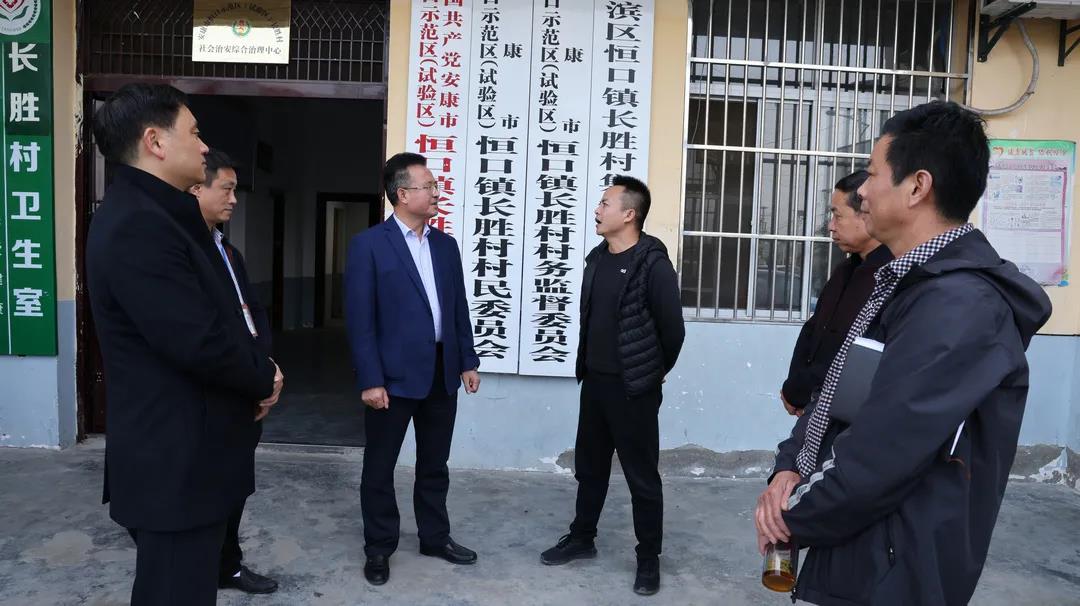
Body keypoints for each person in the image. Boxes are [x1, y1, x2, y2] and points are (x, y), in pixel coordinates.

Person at [754, 101, 1052, 605]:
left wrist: (789, 514)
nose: (862, 191)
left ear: (917, 187)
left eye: (872, 174)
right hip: (865, 552)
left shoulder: (959, 305)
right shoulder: (904, 282)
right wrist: (789, 465)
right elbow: (840, 393)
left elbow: (882, 454)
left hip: (898, 567)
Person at [86, 83, 284, 606]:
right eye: (193, 133)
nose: (203, 146)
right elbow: (196, 340)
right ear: (154, 141)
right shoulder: (140, 224)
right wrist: (262, 377)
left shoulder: (160, 215)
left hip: (189, 455)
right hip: (173, 460)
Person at [539, 175, 685, 596]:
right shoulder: (597, 259)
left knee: (642, 477)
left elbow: (673, 331)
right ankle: (582, 537)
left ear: (629, 214)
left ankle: (648, 559)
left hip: (634, 389)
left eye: (605, 204)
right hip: (595, 383)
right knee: (590, 468)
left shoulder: (653, 264)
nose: (597, 210)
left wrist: (652, 371)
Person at [344, 152, 481, 586]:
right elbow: (361, 320)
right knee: (380, 467)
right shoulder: (369, 245)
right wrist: (371, 379)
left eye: (436, 185)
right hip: (392, 378)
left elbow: (457, 308)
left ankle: (434, 537)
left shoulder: (445, 246)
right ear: (402, 194)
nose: (437, 192)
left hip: (442, 372)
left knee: (435, 464)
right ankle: (379, 547)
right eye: (429, 186)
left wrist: (467, 360)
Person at [190, 148, 278, 594]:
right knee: (209, 488)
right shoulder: (185, 252)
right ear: (196, 188)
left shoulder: (227, 250)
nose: (234, 199)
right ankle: (202, 566)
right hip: (216, 390)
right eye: (226, 189)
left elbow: (253, 312)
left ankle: (229, 565)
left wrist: (268, 367)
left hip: (247, 386)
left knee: (237, 484)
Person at [779, 170, 892, 418]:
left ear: (866, 215)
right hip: (811, 403)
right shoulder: (845, 270)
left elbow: (850, 355)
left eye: (837, 216)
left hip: (846, 413)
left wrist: (804, 389)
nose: (831, 226)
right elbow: (814, 328)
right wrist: (794, 387)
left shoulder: (888, 278)